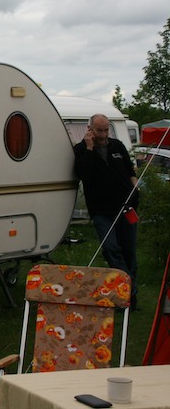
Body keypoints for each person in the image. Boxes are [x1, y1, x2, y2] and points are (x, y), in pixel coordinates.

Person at [73, 114, 140, 310]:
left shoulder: (117, 146)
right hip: (101, 211)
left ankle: (129, 298)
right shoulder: (81, 149)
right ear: (90, 129)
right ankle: (127, 289)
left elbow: (130, 172)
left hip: (126, 207)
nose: (103, 135)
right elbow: (84, 175)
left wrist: (136, 189)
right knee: (111, 248)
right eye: (99, 131)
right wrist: (89, 148)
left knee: (129, 252)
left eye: (105, 130)